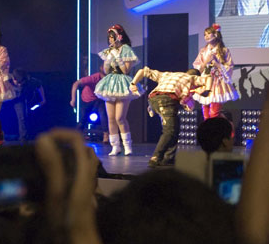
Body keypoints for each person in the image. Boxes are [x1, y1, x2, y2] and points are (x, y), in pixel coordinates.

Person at [129, 67, 207, 167]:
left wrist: (133, 84)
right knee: (169, 130)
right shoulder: (192, 78)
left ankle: (169, 158)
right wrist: (201, 90)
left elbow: (143, 71)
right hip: (166, 101)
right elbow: (189, 105)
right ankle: (156, 157)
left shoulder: (167, 74)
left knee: (175, 126)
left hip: (153, 99)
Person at [95, 25, 140, 156]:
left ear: (119, 37)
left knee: (120, 117)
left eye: (112, 37)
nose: (110, 40)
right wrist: (109, 58)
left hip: (122, 83)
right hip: (109, 83)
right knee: (110, 118)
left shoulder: (126, 49)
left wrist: (117, 56)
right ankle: (115, 146)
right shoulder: (108, 51)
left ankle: (127, 145)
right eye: (109, 38)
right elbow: (106, 71)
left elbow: (126, 70)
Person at [192, 24, 239, 120]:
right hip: (205, 83)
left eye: (209, 34)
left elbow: (229, 66)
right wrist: (206, 61)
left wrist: (217, 63)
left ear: (216, 34)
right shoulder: (203, 51)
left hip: (217, 83)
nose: (206, 36)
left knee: (214, 113)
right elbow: (197, 68)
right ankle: (208, 133)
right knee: (205, 114)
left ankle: (216, 131)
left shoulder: (224, 51)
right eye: (205, 34)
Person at [10, 68, 46, 142]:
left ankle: (24, 137)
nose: (19, 84)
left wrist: (43, 99)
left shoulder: (30, 81)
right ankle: (22, 137)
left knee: (24, 117)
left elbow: (39, 85)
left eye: (21, 83)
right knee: (21, 116)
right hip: (13, 99)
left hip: (25, 98)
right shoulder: (8, 80)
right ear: (13, 78)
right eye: (17, 82)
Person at [70, 65, 106, 136]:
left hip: (99, 98)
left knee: (103, 114)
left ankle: (106, 134)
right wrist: (73, 99)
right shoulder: (94, 77)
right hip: (87, 98)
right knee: (83, 117)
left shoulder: (108, 80)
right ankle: (77, 135)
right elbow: (76, 84)